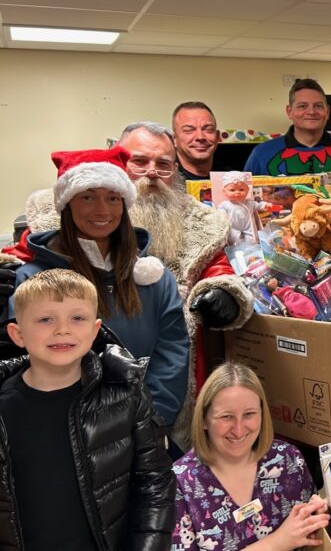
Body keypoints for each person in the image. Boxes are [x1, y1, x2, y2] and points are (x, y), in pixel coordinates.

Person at [2, 122, 254, 449]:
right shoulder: (44, 258)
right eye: (140, 161)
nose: (151, 172)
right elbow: (24, 257)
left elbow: (212, 274)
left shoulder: (199, 224)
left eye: (163, 164)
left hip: (161, 407)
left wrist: (225, 293)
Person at [1, 146, 190, 430]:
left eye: (112, 198)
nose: (102, 210)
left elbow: (172, 352)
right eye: (87, 197)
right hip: (62, 431)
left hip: (140, 426)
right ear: (67, 204)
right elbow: (26, 365)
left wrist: (152, 421)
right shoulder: (34, 280)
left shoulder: (153, 278)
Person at [0, 269, 175, 548]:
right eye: (46, 319)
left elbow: (154, 485)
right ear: (17, 334)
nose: (62, 329)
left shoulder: (126, 394)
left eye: (77, 318)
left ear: (95, 331)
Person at [173, 362, 329, 549]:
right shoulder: (180, 482)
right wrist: (277, 543)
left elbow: (311, 540)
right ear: (204, 420)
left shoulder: (288, 459)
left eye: (249, 414)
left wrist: (321, 517)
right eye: (226, 417)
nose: (238, 430)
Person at [244, 78, 331, 176]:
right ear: (290, 112)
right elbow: (242, 198)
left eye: (318, 106)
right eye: (302, 106)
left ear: (327, 112)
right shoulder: (261, 153)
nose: (311, 111)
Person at [172, 101, 228, 181]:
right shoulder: (163, 180)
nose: (200, 137)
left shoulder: (233, 179)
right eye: (189, 130)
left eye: (208, 129)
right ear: (174, 138)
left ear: (217, 137)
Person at [218, 171, 268, 245]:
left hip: (248, 226)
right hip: (233, 227)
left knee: (252, 240)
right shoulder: (225, 205)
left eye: (241, 190)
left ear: (248, 190)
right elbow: (220, 213)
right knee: (235, 241)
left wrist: (265, 205)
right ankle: (237, 251)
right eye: (232, 190)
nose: (237, 192)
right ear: (224, 191)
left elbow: (259, 206)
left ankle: (253, 250)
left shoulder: (249, 203)